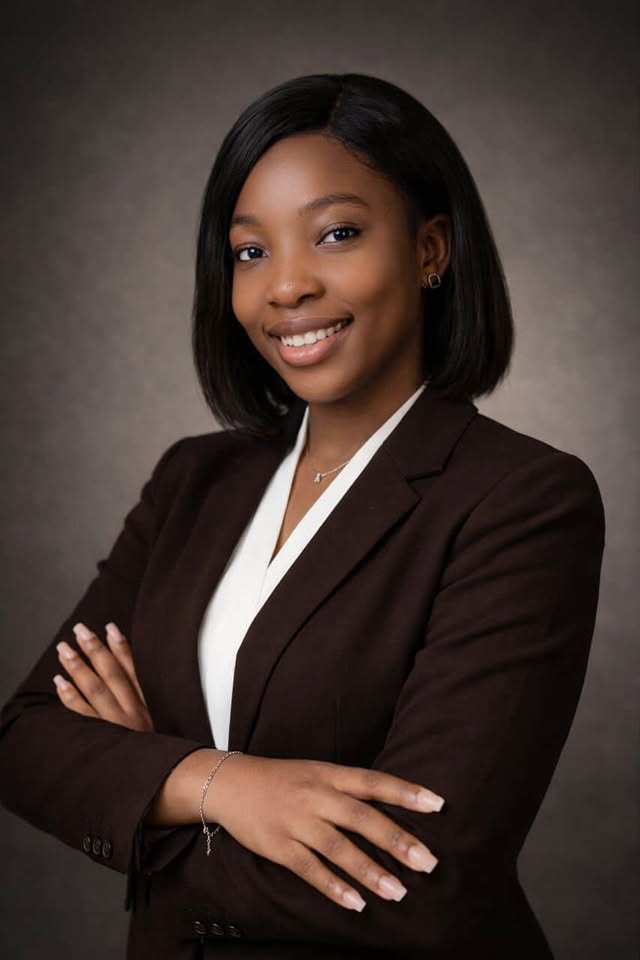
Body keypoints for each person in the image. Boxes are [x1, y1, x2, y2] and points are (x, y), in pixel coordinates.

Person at [0, 72, 605, 960]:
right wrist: (220, 784)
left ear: (431, 249)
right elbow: (25, 739)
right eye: (250, 252)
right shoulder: (193, 480)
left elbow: (419, 882)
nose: (285, 287)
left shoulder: (522, 499)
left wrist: (141, 788)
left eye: (337, 234)